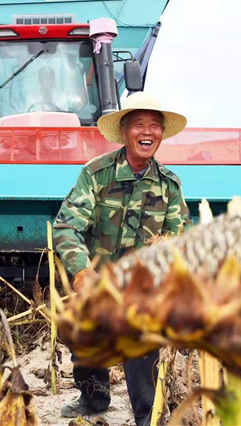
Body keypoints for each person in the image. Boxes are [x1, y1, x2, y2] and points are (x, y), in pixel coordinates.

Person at [52, 92, 192, 425]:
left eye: (155, 126)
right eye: (140, 125)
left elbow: (182, 239)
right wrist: (82, 272)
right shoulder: (96, 175)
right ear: (125, 130)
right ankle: (94, 399)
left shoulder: (169, 185)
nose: (148, 132)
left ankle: (147, 416)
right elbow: (66, 228)